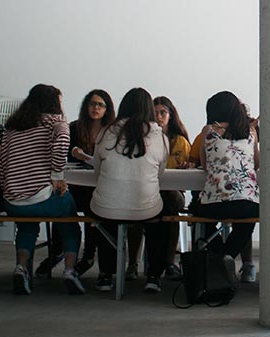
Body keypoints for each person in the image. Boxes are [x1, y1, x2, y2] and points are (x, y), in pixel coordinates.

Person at [0, 83, 84, 295]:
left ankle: (21, 267)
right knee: (70, 221)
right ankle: (69, 270)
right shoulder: (55, 122)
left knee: (27, 228)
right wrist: (57, 175)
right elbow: (63, 141)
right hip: (43, 199)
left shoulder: (12, 127)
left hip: (13, 201)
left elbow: (3, 162)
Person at [89, 87, 170, 293]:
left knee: (104, 214)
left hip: (106, 206)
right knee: (163, 216)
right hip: (146, 208)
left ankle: (106, 275)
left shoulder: (106, 132)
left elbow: (97, 171)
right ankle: (153, 276)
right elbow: (159, 177)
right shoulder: (159, 137)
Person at [192, 91, 260, 284]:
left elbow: (205, 166)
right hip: (245, 202)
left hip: (214, 202)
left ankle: (220, 256)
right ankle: (227, 255)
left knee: (198, 213)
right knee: (249, 218)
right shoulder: (250, 132)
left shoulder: (208, 131)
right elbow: (256, 163)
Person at [56, 89, 114, 279]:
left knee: (94, 205)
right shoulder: (74, 127)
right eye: (92, 104)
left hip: (103, 185)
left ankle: (89, 256)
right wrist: (74, 153)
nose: (96, 108)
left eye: (100, 105)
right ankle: (60, 252)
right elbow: (63, 154)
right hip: (77, 184)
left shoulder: (111, 132)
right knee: (62, 202)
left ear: (107, 109)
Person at [153, 95, 192, 280]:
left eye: (163, 112)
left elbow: (189, 168)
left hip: (173, 192)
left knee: (173, 204)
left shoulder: (180, 141)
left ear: (170, 115)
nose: (159, 116)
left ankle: (168, 262)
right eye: (155, 113)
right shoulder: (147, 139)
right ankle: (134, 263)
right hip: (150, 190)